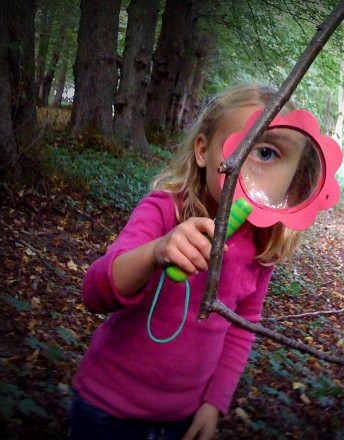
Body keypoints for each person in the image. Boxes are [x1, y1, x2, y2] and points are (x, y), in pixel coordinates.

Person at [67, 83, 305, 440]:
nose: (251, 167)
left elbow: (243, 327)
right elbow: (95, 293)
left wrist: (214, 402)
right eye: (249, 148)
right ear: (203, 151)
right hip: (107, 410)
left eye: (270, 154)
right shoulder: (163, 212)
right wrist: (156, 251)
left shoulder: (261, 248)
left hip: (181, 419)